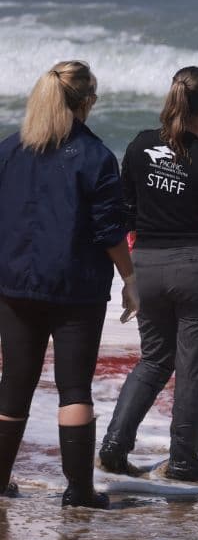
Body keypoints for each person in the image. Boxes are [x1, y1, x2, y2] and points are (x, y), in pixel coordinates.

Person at [98, 66, 198, 482]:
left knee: (153, 359)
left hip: (147, 265)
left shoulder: (138, 147)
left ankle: (114, 447)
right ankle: (184, 460)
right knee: (193, 369)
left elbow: (125, 212)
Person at [0, 60, 138, 508]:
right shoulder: (95, 156)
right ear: (84, 103)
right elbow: (109, 232)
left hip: (14, 285)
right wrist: (130, 278)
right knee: (74, 387)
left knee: (14, 383)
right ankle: (79, 492)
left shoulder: (8, 150)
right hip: (76, 289)